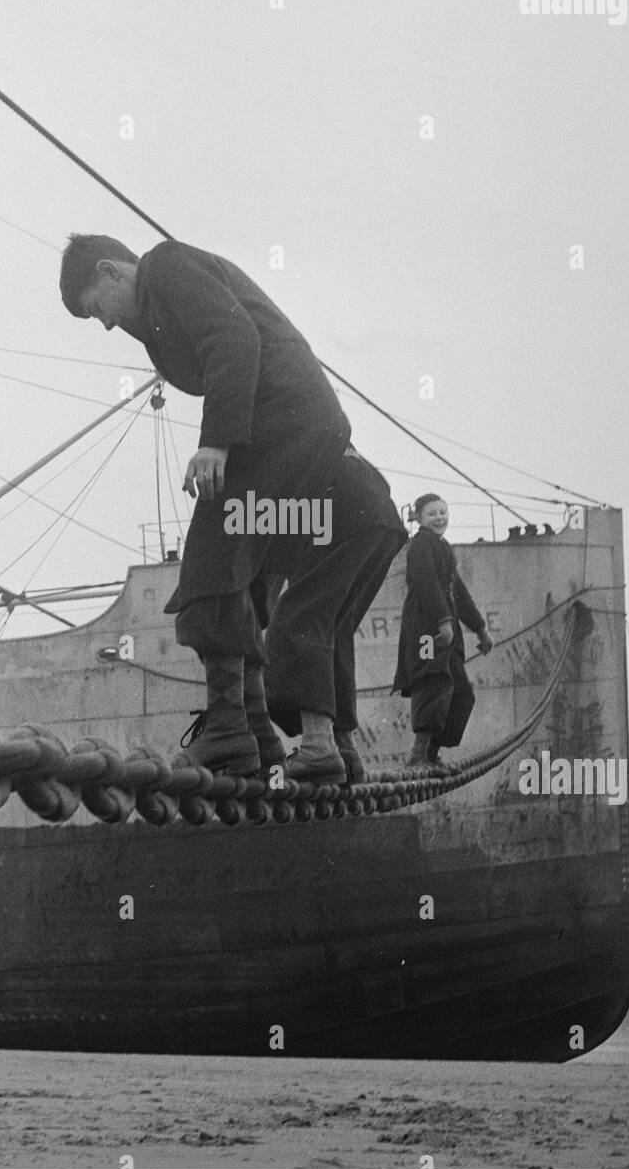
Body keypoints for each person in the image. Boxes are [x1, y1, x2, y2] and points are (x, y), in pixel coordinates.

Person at [59, 234, 350, 774]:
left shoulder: (164, 268)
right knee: (251, 574)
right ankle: (255, 730)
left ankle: (227, 728)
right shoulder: (159, 308)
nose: (102, 324)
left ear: (111, 271)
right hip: (312, 431)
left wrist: (216, 440)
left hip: (278, 423)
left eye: (96, 308)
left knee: (210, 566)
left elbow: (232, 336)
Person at [262, 447, 407, 783]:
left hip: (341, 508)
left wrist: (266, 620)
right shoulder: (315, 421)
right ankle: (345, 750)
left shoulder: (263, 444)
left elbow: (272, 554)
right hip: (380, 515)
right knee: (333, 628)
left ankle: (317, 748)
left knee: (298, 622)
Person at [392, 493, 493, 769]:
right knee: (432, 680)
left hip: (446, 630)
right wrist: (442, 621)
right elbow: (425, 584)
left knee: (461, 693)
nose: (439, 518)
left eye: (442, 512)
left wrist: (481, 629)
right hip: (426, 630)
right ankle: (418, 755)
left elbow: (457, 591)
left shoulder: (443, 547)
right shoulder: (420, 546)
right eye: (432, 514)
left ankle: (432, 753)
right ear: (420, 519)